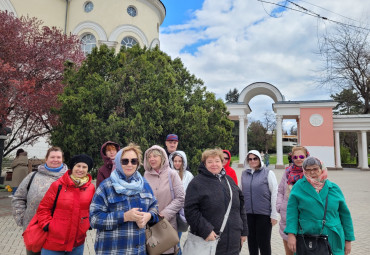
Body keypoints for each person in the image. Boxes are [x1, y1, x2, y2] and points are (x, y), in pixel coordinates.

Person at [90, 143, 159, 255]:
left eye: (133, 161)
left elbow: (154, 206)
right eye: (125, 161)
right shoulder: (106, 187)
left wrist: (149, 216)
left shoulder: (144, 184)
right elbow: (94, 219)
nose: (129, 164)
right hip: (113, 250)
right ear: (118, 162)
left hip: (139, 251)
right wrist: (124, 216)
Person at [285, 156, 355, 255]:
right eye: (308, 170)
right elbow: (292, 213)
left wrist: (348, 240)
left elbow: (345, 215)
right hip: (307, 236)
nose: (312, 172)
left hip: (332, 236)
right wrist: (291, 234)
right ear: (304, 171)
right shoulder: (298, 187)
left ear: (321, 168)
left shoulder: (334, 188)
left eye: (315, 169)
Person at [184, 148, 248, 254]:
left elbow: (241, 207)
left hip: (233, 242)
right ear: (204, 164)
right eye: (210, 162)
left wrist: (244, 231)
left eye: (217, 161)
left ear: (222, 163)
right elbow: (190, 211)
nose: (214, 164)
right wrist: (206, 230)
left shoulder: (229, 181)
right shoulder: (196, 183)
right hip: (209, 241)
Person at [12, 147, 68, 255]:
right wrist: (22, 218)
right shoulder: (32, 176)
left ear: (62, 159)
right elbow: (18, 197)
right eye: (52, 157)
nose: (55, 159)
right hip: (34, 229)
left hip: (59, 232)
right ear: (46, 159)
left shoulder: (69, 178)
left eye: (58, 157)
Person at [36, 154, 95, 254]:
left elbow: (92, 209)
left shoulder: (91, 188)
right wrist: (48, 225)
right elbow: (43, 208)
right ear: (72, 167)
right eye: (78, 166)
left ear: (88, 169)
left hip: (77, 242)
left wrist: (87, 223)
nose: (80, 169)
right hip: (54, 241)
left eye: (84, 167)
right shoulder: (58, 185)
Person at [144, 145, 185, 254]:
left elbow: (180, 198)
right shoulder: (146, 176)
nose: (151, 159)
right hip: (150, 223)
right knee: (153, 250)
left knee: (168, 250)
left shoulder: (172, 174)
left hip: (167, 223)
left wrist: (165, 213)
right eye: (149, 157)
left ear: (162, 157)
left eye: (155, 156)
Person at [240, 150, 278, 255]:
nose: (252, 161)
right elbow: (241, 194)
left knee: (264, 243)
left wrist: (274, 214)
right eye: (250, 159)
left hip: (264, 214)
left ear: (259, 159)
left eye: (255, 158)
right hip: (248, 214)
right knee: (252, 242)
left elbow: (274, 193)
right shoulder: (244, 174)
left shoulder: (268, 173)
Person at [276, 146, 309, 255]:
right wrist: (279, 206)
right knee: (289, 252)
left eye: (301, 156)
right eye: (295, 157)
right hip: (287, 218)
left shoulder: (311, 172)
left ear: (306, 157)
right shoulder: (287, 172)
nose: (298, 159)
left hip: (305, 220)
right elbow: (280, 191)